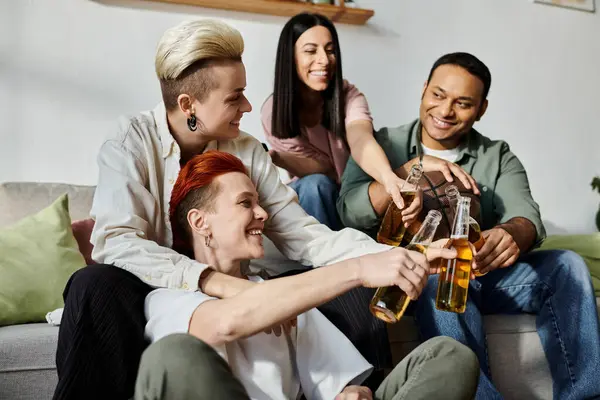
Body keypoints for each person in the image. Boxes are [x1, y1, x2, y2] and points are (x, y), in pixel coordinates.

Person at [54, 19, 414, 400]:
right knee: (93, 284)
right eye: (234, 97)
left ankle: (367, 392)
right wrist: (219, 283)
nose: (246, 105)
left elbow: (302, 236)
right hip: (148, 285)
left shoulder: (245, 149)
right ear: (188, 104)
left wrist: (397, 257)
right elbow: (116, 242)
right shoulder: (130, 142)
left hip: (239, 274)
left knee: (348, 289)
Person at [336, 52, 600, 400]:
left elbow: (527, 216)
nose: (445, 111)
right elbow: (348, 210)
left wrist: (512, 234)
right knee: (440, 278)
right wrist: (405, 172)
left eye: (462, 103)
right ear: (424, 90)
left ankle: (587, 395)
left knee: (566, 264)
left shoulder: (497, 155)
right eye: (439, 95)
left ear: (482, 109)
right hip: (410, 277)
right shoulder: (383, 145)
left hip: (478, 273)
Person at [134, 149, 479, 400]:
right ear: (199, 222)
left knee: (449, 356)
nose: (262, 214)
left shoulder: (282, 294)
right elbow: (225, 323)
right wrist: (358, 269)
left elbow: (339, 385)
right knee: (174, 353)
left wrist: (354, 394)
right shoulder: (166, 296)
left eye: (260, 203)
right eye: (245, 203)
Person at [261, 12, 421, 231]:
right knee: (315, 185)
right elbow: (323, 171)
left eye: (330, 50)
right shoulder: (273, 111)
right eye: (310, 51)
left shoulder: (350, 96)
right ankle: (323, 260)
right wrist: (277, 157)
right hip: (315, 198)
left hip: (351, 195)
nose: (324, 60)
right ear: (290, 57)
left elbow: (360, 138)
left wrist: (388, 178)